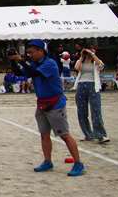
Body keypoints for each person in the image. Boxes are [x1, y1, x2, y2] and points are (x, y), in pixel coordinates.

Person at [9, 39, 84, 176]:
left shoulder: (49, 63)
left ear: (41, 51)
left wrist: (21, 60)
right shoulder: (34, 64)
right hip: (42, 103)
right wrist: (13, 60)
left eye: (32, 52)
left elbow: (34, 73)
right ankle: (47, 161)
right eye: (28, 53)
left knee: (64, 135)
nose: (30, 55)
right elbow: (20, 73)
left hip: (55, 103)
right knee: (44, 135)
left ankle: (78, 163)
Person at [73, 46, 108, 144]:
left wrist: (92, 54)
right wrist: (81, 56)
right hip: (81, 84)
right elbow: (77, 68)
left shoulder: (96, 61)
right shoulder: (82, 61)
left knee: (96, 110)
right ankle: (88, 134)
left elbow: (101, 65)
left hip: (93, 85)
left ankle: (100, 134)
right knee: (82, 111)